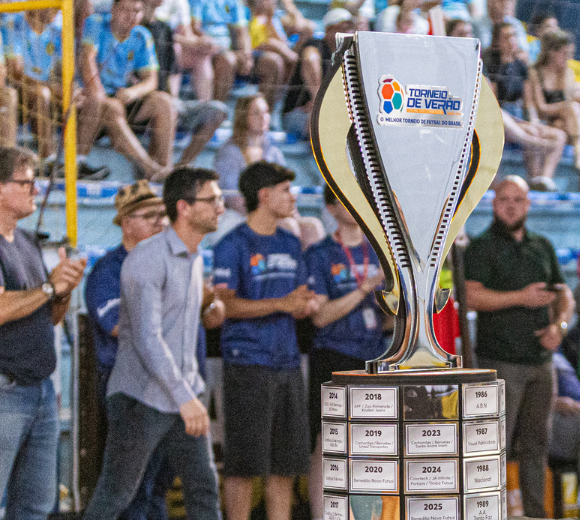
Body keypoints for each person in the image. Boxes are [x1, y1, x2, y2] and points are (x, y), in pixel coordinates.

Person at [83, 167, 225, 520]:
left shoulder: (193, 259)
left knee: (203, 489)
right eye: (213, 199)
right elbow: (146, 338)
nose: (221, 206)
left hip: (180, 393)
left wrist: (189, 392)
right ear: (185, 207)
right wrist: (185, 396)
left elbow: (185, 332)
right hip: (142, 396)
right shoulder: (145, 259)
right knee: (119, 494)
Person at [463, 175, 574, 519]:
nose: (510, 206)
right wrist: (520, 297)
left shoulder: (542, 245)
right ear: (493, 204)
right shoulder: (481, 247)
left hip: (541, 362)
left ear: (528, 204)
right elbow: (470, 297)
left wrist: (560, 327)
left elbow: (564, 295)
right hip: (499, 360)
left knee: (537, 445)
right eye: (504, 199)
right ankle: (489, 513)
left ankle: (536, 513)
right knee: (493, 445)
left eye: (517, 200)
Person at [213, 162, 318, 520]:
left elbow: (297, 299)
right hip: (247, 362)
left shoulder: (291, 243)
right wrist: (281, 304)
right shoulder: (232, 245)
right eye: (286, 190)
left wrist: (304, 305)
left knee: (285, 466)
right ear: (264, 195)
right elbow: (224, 306)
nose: (294, 197)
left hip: (288, 361)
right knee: (243, 466)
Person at [0, 146, 85, 519]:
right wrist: (50, 288)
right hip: (7, 389)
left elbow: (46, 317)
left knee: (36, 505)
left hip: (39, 389)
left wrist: (62, 292)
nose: (35, 190)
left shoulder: (28, 242)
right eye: (26, 183)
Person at [306, 185, 387, 520]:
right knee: (328, 441)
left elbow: (389, 318)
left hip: (374, 354)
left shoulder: (379, 251)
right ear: (331, 208)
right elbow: (320, 316)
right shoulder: (321, 253)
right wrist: (365, 288)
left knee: (371, 442)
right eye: (345, 199)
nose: (355, 206)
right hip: (334, 354)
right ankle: (321, 514)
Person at [78, 0, 176, 181]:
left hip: (121, 97)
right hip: (91, 102)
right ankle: (150, 169)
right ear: (113, 10)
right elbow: (87, 60)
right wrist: (100, 95)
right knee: (112, 107)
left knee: (164, 102)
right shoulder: (96, 23)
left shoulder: (142, 35)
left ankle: (165, 169)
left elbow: (151, 80)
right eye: (125, 10)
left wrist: (133, 92)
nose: (131, 16)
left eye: (136, 11)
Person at [141, 0, 228, 168]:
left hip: (167, 98)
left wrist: (171, 100)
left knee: (218, 111)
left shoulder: (164, 29)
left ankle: (181, 168)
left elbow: (172, 73)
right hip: (144, 101)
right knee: (165, 106)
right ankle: (159, 169)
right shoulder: (136, 32)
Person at [484, 22, 565, 188]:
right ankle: (534, 165)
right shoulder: (491, 64)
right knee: (531, 133)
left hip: (519, 119)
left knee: (558, 135)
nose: (512, 40)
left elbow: (528, 102)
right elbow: (493, 103)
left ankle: (543, 179)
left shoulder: (521, 66)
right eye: (506, 37)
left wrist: (533, 120)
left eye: (514, 35)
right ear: (497, 41)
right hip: (501, 119)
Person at [525, 30, 580, 190]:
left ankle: (579, 169)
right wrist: (566, 106)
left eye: (570, 54)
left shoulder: (567, 73)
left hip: (563, 124)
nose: (568, 58)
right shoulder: (536, 72)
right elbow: (541, 108)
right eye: (564, 53)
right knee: (577, 115)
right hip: (545, 121)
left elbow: (571, 103)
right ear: (552, 52)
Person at [282, 8, 355, 140]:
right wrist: (319, 101)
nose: (348, 33)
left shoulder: (347, 56)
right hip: (298, 113)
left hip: (329, 112)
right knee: (320, 120)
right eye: (343, 28)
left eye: (349, 29)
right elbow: (310, 59)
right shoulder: (316, 45)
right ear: (329, 30)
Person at [4, 9, 62, 161]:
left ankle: (76, 162)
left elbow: (63, 70)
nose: (58, 7)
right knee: (41, 94)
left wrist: (68, 88)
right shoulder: (13, 26)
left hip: (48, 91)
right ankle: (49, 159)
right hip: (17, 91)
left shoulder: (58, 31)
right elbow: (15, 74)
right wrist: (51, 88)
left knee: (80, 97)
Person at [214, 95, 284, 211]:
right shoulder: (230, 151)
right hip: (238, 213)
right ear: (244, 117)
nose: (263, 117)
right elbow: (232, 196)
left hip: (271, 211)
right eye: (256, 113)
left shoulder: (273, 151)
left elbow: (284, 188)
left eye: (266, 112)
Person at [548, 353, 580, 520]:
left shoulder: (562, 350)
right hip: (549, 417)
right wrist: (555, 402)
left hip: (579, 415)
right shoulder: (524, 353)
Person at [152, 0, 217, 101]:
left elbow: (187, 34)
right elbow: (156, 34)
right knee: (174, 49)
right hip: (156, 48)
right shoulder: (152, 3)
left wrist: (202, 43)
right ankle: (173, 100)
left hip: (173, 45)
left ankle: (204, 102)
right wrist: (196, 42)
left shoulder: (180, 2)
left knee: (202, 53)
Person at [189, 0, 253, 101]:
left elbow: (242, 31)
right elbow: (195, 28)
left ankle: (218, 107)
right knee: (227, 59)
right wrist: (212, 43)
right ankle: (214, 108)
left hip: (226, 50)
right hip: (205, 48)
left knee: (270, 62)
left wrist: (247, 55)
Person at [248, 0, 298, 110]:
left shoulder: (273, 19)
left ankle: (274, 104)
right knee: (276, 58)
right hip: (253, 56)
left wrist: (270, 19)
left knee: (285, 60)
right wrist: (273, 45)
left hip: (271, 56)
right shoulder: (247, 14)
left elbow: (282, 41)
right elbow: (249, 43)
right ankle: (266, 107)